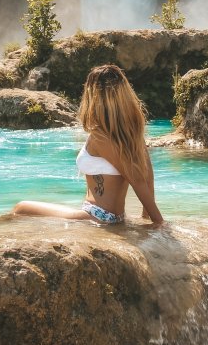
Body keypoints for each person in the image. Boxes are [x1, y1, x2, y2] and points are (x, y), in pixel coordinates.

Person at [13, 64, 164, 227]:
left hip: (97, 216)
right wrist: (146, 218)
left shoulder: (100, 137)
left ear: (94, 96)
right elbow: (147, 178)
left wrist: (158, 223)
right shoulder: (132, 132)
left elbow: (136, 179)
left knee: (21, 208)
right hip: (112, 217)